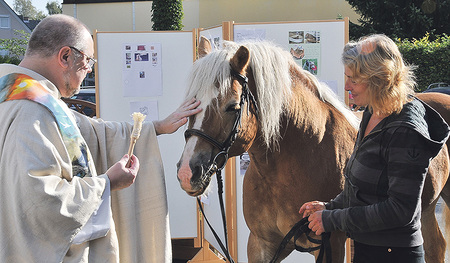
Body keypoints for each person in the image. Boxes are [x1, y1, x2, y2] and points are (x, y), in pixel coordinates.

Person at [0, 14, 201, 262]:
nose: (88, 71)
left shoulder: (14, 91)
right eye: (88, 62)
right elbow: (42, 201)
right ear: (65, 56)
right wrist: (107, 184)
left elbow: (87, 129)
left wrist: (154, 128)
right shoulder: (32, 112)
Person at [299, 34, 449, 263]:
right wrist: (329, 207)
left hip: (395, 255)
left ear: (380, 79)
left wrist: (332, 219)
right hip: (370, 250)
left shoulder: (406, 131)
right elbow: (362, 189)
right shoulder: (372, 112)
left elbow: (400, 210)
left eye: (354, 79)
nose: (347, 86)